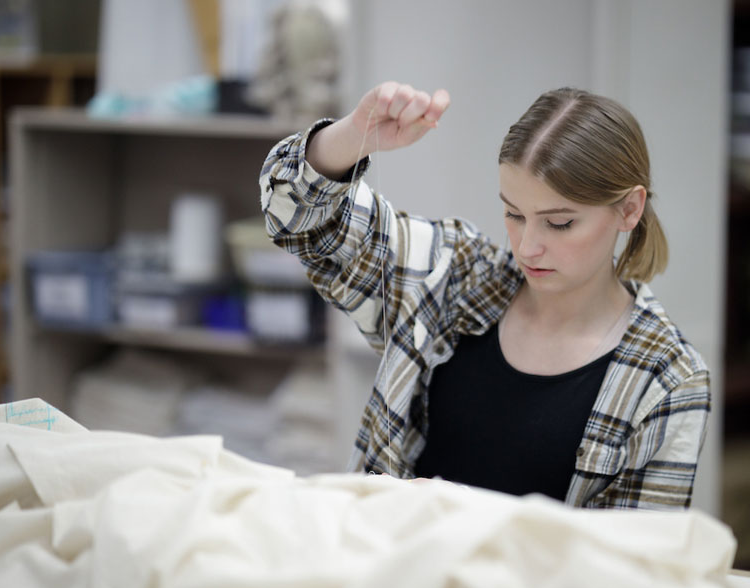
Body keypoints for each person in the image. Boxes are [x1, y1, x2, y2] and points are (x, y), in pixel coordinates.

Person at [260, 81, 710, 509]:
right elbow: (301, 220)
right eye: (514, 214)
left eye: (559, 223)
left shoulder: (667, 380)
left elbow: (628, 569)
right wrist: (352, 136)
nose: (527, 246)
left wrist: (457, 513)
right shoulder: (451, 277)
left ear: (629, 209)